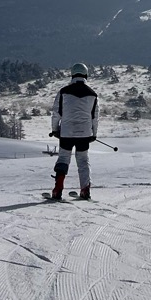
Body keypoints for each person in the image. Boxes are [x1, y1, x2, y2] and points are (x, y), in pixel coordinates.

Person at [49, 63, 98, 199]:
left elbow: (56, 113)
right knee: (83, 161)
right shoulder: (93, 94)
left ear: (72, 75)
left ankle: (58, 189)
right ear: (85, 75)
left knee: (63, 158)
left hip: (66, 133)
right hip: (84, 133)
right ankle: (85, 189)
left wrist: (55, 130)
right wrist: (94, 134)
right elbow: (95, 117)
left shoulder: (63, 92)